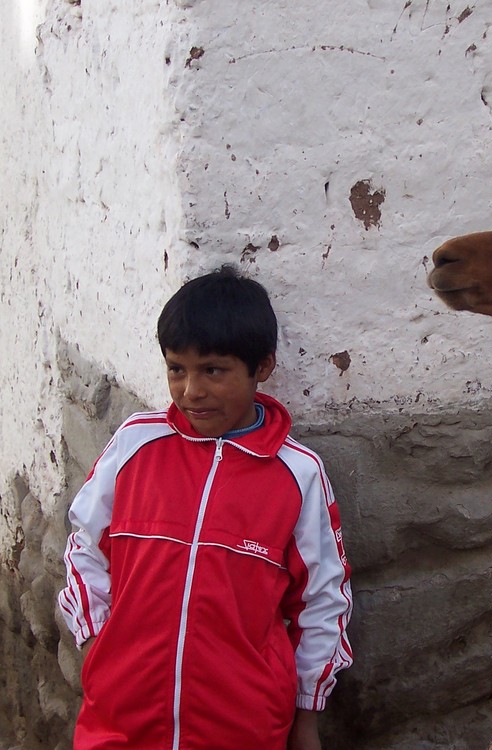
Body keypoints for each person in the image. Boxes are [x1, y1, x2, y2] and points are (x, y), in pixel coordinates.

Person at [57, 266, 353, 749]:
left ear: (262, 367)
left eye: (213, 370)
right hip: (120, 719)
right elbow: (85, 545)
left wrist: (307, 718)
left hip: (243, 724)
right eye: (177, 369)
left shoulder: (297, 474)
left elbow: (322, 599)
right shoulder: (136, 443)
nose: (191, 391)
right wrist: (97, 645)